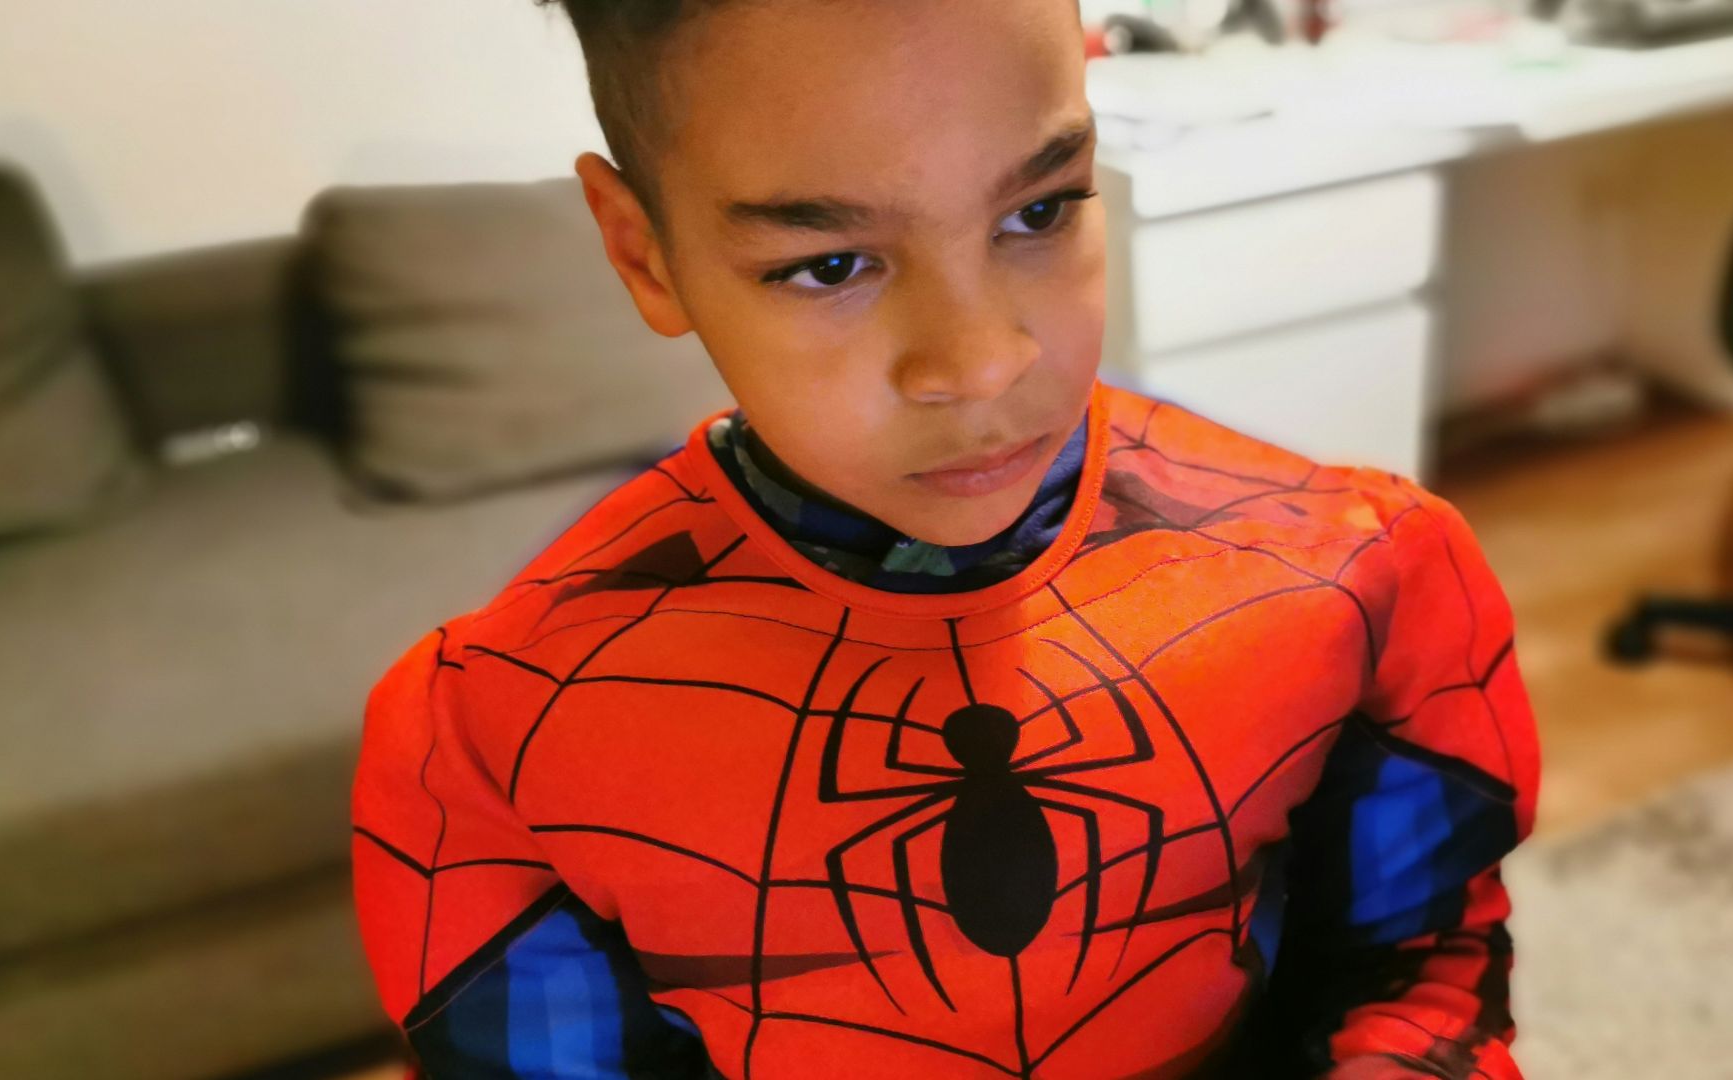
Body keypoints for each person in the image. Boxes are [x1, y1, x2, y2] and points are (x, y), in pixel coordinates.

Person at [349, 1, 1542, 1077]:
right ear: (641, 252)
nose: (980, 363)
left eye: (1039, 209)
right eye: (828, 265)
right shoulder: (493, 735)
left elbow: (1422, 971)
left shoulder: (1356, 575)